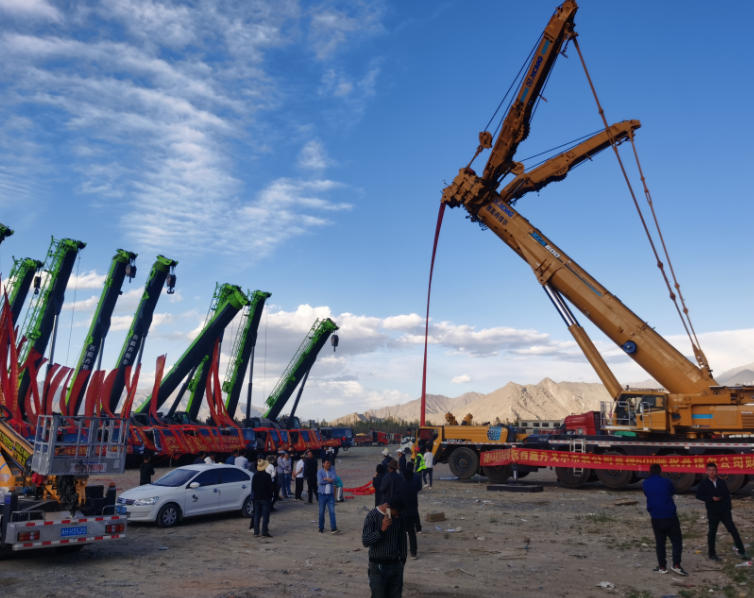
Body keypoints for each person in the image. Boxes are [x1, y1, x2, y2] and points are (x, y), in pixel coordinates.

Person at [695, 462, 749, 560]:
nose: (712, 472)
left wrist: (728, 508)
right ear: (706, 472)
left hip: (724, 511)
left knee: (733, 531)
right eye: (710, 470)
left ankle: (742, 551)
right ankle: (712, 554)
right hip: (713, 511)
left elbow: (727, 495)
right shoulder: (704, 483)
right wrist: (711, 498)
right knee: (712, 532)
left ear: (717, 471)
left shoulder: (721, 482)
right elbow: (698, 495)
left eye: (713, 470)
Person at [642, 463, 686, 575]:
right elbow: (672, 491)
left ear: (649, 472)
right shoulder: (667, 482)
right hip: (670, 515)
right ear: (660, 472)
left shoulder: (645, 483)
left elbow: (647, 494)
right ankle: (676, 565)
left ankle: (662, 567)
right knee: (676, 541)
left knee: (660, 543)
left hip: (656, 517)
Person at [362, 499, 407, 597]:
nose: (397, 516)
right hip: (378, 567)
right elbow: (366, 541)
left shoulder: (399, 517)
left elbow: (402, 540)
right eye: (396, 513)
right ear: (388, 508)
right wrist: (382, 530)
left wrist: (402, 561)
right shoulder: (372, 516)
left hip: (395, 565)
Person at [400, 462, 423, 559]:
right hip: (413, 508)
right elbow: (419, 488)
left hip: (403, 511)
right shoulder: (415, 480)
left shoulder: (402, 484)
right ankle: (413, 553)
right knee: (411, 533)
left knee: (401, 533)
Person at [250, 459, 273, 538]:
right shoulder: (267, 476)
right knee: (265, 516)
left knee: (257, 515)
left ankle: (256, 532)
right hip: (265, 498)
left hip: (257, 497)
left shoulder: (255, 476)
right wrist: (270, 496)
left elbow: (253, 487)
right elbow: (270, 488)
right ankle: (264, 532)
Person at [317, 459, 340, 534]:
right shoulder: (320, 472)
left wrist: (326, 479)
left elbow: (335, 479)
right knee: (321, 512)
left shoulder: (332, 470)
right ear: (323, 464)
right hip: (322, 495)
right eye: (327, 463)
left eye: (329, 463)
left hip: (330, 495)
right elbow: (320, 481)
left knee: (332, 512)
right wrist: (330, 480)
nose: (328, 465)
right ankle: (321, 528)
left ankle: (333, 528)